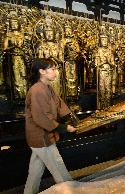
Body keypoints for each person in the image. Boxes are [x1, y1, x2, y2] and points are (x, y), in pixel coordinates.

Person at [23, 58, 77, 194]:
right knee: (60, 171)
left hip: (39, 138)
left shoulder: (47, 87)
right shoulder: (37, 90)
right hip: (41, 138)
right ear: (42, 71)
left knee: (35, 172)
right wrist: (65, 128)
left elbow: (59, 104)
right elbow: (42, 118)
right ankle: (72, 191)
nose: (56, 72)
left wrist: (71, 118)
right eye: (52, 69)